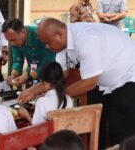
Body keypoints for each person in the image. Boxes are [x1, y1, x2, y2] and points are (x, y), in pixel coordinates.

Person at [29, 17, 135, 147]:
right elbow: (58, 76)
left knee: (119, 128)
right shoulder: (63, 44)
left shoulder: (86, 39)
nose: (47, 46)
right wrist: (33, 90)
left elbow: (89, 82)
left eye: (48, 42)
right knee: (94, 123)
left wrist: (55, 96)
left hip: (127, 77)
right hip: (101, 81)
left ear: (58, 35)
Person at [2, 18, 56, 87]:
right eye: (9, 41)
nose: (11, 44)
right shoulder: (15, 41)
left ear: (22, 32)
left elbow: (48, 61)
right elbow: (17, 61)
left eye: (13, 40)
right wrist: (13, 75)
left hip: (50, 75)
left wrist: (28, 76)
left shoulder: (40, 34)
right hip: (31, 75)